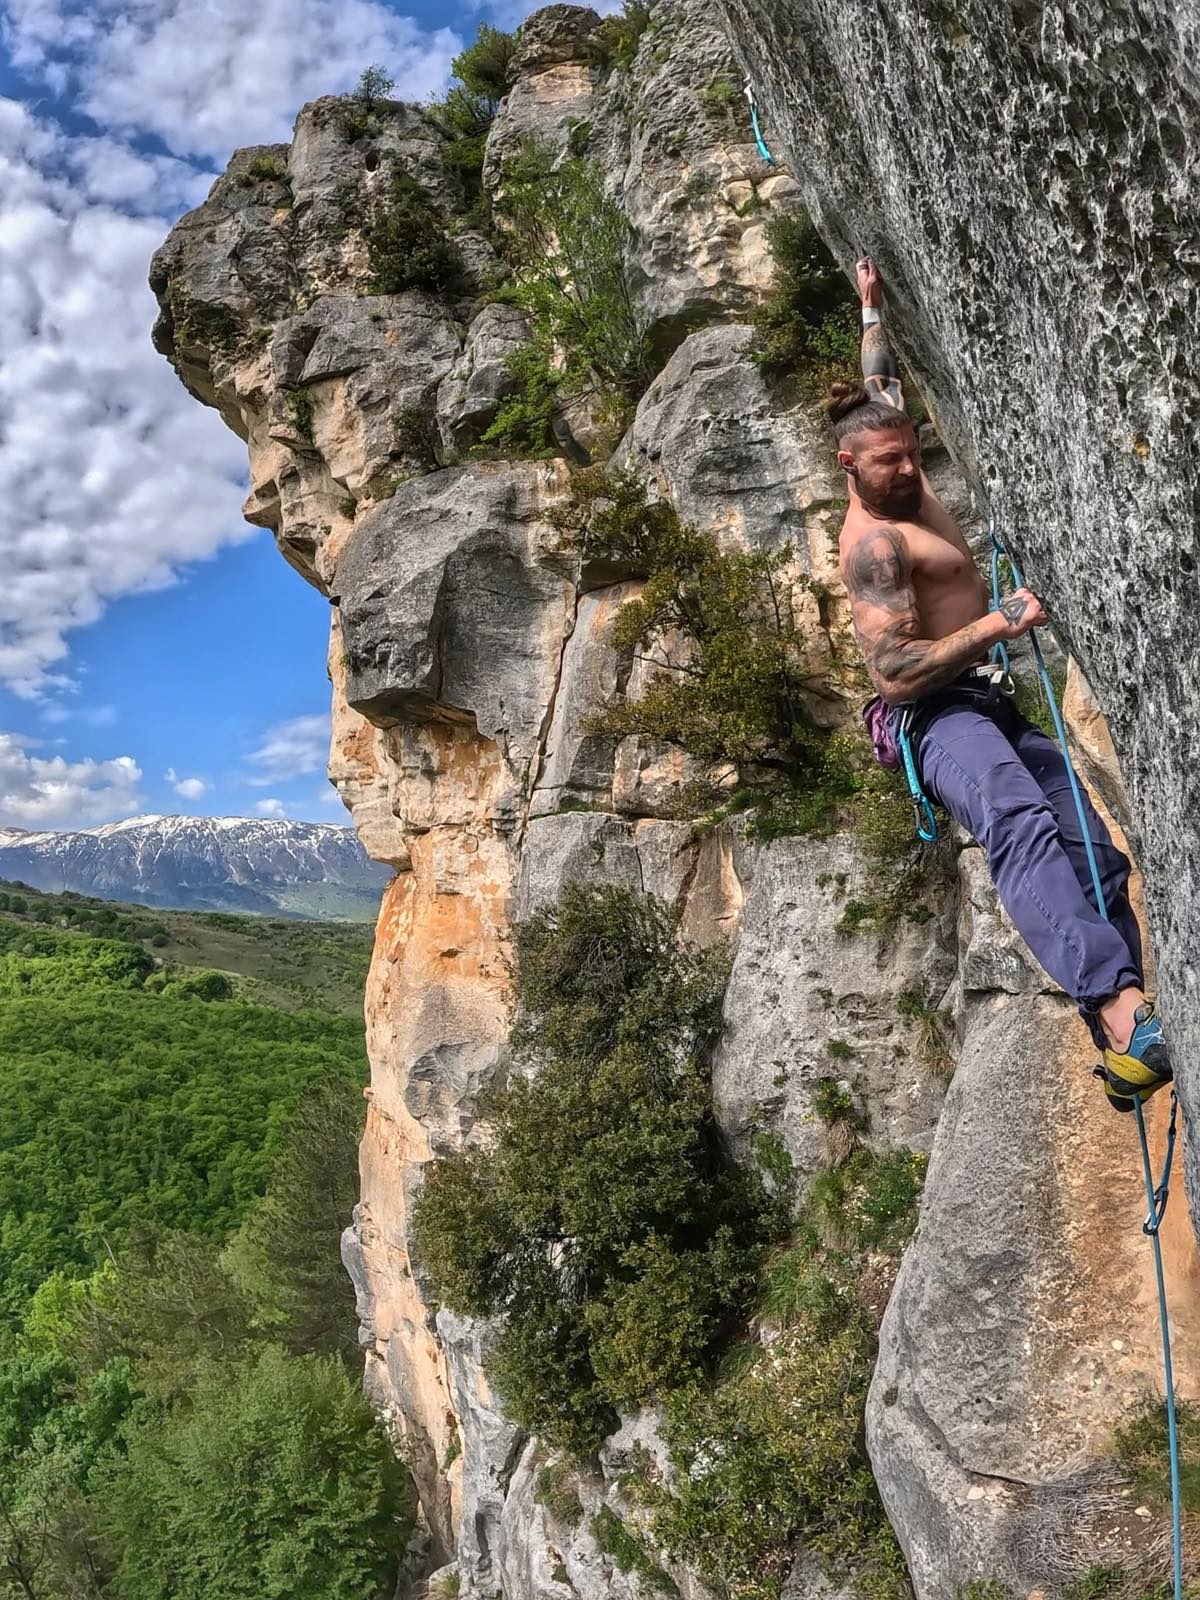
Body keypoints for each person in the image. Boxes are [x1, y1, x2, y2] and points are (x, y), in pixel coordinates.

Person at [832, 256, 1171, 1112]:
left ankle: (1125, 1054)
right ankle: (1128, 1017)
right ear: (850, 467)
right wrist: (996, 625)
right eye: (889, 464)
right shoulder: (874, 547)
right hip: (939, 718)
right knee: (1018, 824)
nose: (909, 471)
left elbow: (882, 384)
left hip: (989, 700)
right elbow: (895, 671)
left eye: (911, 456)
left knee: (1098, 853)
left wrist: (870, 306)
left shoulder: (895, 463)